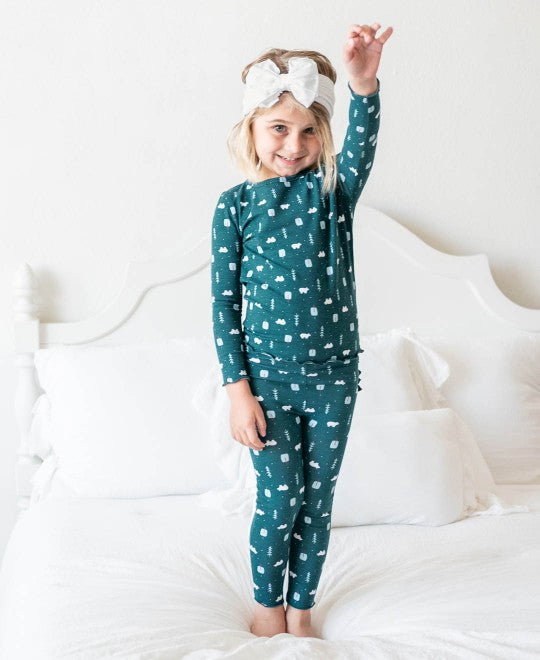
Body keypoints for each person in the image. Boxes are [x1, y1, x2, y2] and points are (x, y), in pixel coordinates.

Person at [210, 22, 393, 638]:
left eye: (309, 130)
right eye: (279, 129)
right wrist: (238, 390)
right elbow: (223, 306)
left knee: (318, 501)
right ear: (252, 131)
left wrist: (363, 86)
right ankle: (267, 606)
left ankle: (301, 609)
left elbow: (362, 145)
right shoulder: (234, 207)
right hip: (268, 385)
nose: (294, 143)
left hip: (334, 380)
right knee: (280, 497)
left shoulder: (332, 193)